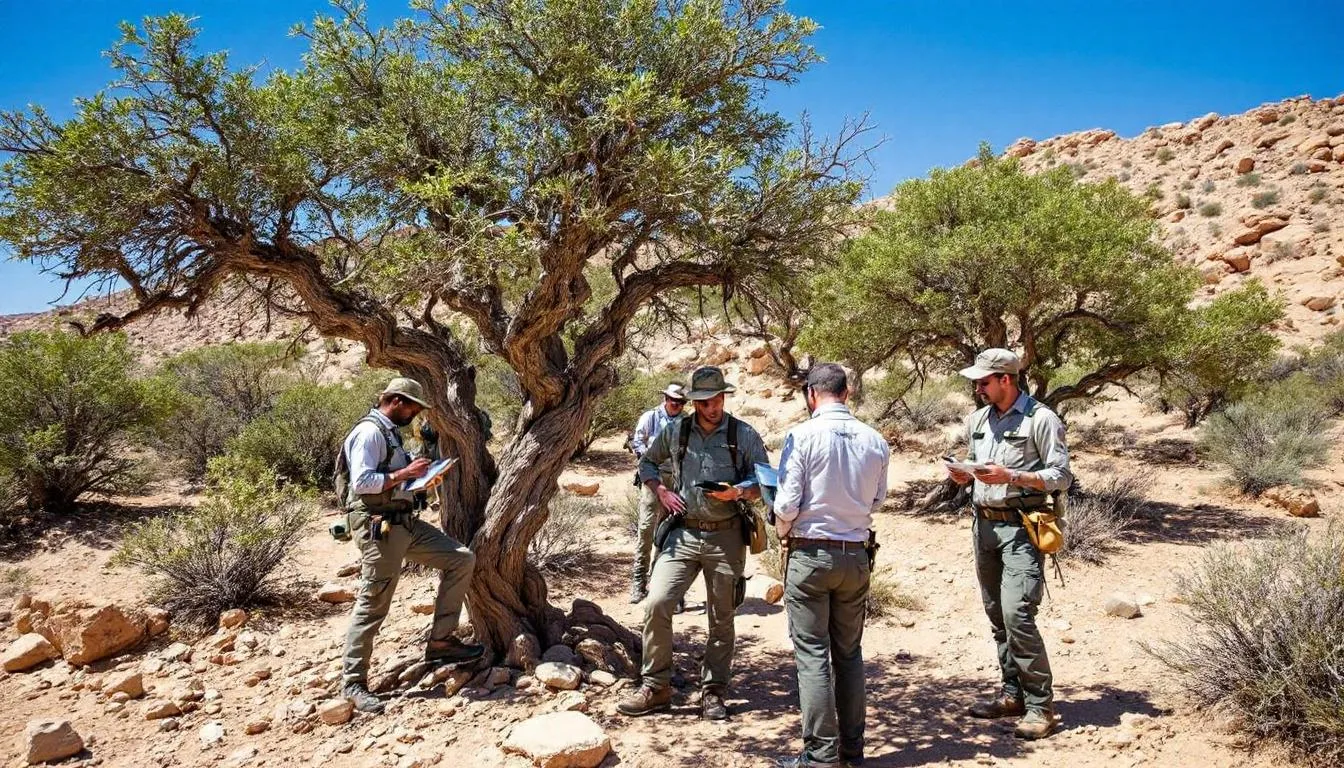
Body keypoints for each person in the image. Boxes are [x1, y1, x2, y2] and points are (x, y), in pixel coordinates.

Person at [617, 366, 769, 721]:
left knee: (722, 617)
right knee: (657, 602)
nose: (711, 408)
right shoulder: (675, 431)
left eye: (716, 400)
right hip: (682, 533)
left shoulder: (744, 434)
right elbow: (647, 463)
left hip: (726, 536)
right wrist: (661, 491)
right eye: (704, 402)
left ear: (724, 397)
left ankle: (714, 691)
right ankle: (656, 687)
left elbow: (764, 481)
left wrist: (739, 492)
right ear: (694, 402)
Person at [946, 349, 1072, 740]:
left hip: (1021, 529)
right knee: (997, 615)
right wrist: (963, 475)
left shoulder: (1042, 419)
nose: (978, 389)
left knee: (1018, 614)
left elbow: (1061, 476)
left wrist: (1013, 476)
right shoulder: (978, 419)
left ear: (1006, 379)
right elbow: (975, 463)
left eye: (984, 382)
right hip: (983, 527)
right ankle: (1012, 694)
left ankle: (1040, 707)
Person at [340, 377, 483, 714]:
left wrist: (421, 480)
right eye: (413, 408)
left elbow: (392, 481)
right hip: (381, 528)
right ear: (397, 401)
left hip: (403, 523)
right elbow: (362, 482)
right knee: (373, 604)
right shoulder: (369, 432)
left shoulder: (389, 432)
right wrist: (405, 475)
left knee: (461, 559)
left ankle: (441, 642)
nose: (415, 415)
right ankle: (353, 683)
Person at [773, 363, 890, 768]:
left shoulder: (802, 436)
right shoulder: (875, 440)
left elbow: (787, 503)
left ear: (811, 394)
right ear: (847, 392)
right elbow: (877, 500)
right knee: (849, 653)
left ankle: (820, 755)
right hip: (855, 554)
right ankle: (852, 751)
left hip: (810, 554)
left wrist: (782, 529)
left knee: (811, 655)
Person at [628, 383, 688, 603]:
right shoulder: (650, 417)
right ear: (665, 399)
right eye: (674, 400)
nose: (677, 405)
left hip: (676, 480)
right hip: (653, 478)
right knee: (646, 529)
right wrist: (650, 457)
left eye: (681, 402)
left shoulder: (686, 422)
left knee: (669, 532)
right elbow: (637, 441)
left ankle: (660, 582)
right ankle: (638, 582)